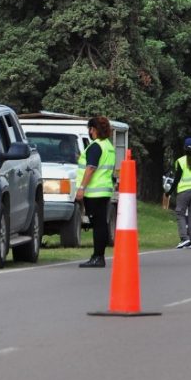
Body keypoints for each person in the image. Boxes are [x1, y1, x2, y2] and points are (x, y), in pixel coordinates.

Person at [75, 115, 116, 268]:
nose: (89, 132)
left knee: (97, 225)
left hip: (93, 192)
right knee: (101, 224)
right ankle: (99, 255)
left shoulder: (95, 146)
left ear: (93, 130)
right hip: (104, 190)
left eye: (90, 129)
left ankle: (98, 257)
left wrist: (81, 188)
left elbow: (90, 168)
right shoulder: (108, 146)